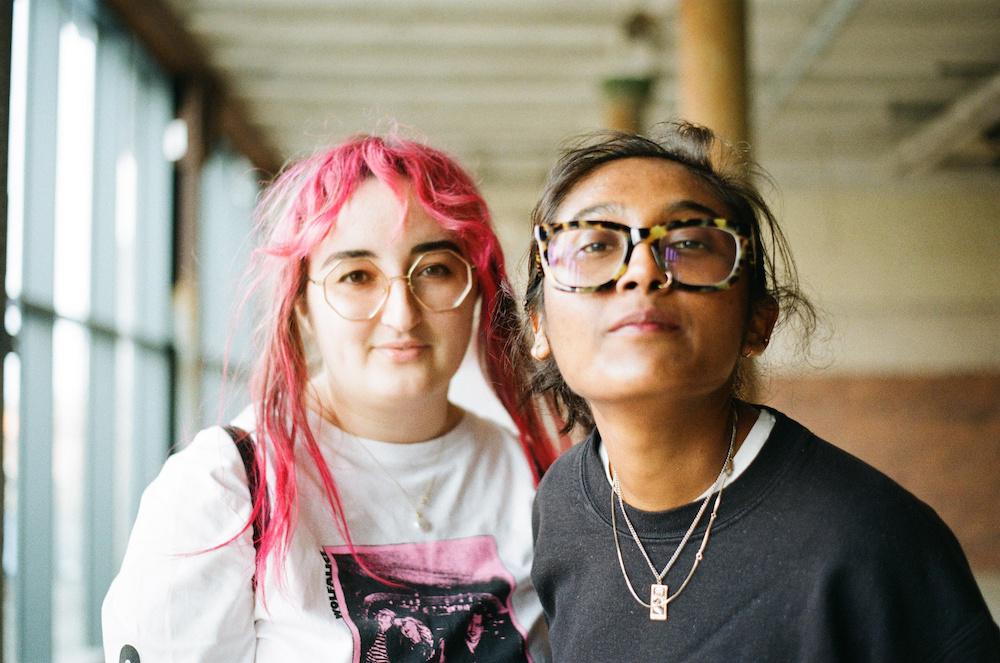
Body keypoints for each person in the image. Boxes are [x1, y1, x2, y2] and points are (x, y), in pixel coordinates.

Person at [523, 122, 1000, 661]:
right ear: (538, 326)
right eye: (595, 243)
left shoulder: (871, 539)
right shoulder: (559, 504)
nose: (641, 271)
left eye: (688, 242)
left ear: (756, 322)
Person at [102, 135, 556, 661]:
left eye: (433, 269)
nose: (401, 314)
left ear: (475, 288)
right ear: (302, 307)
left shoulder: (536, 478)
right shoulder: (225, 488)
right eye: (356, 276)